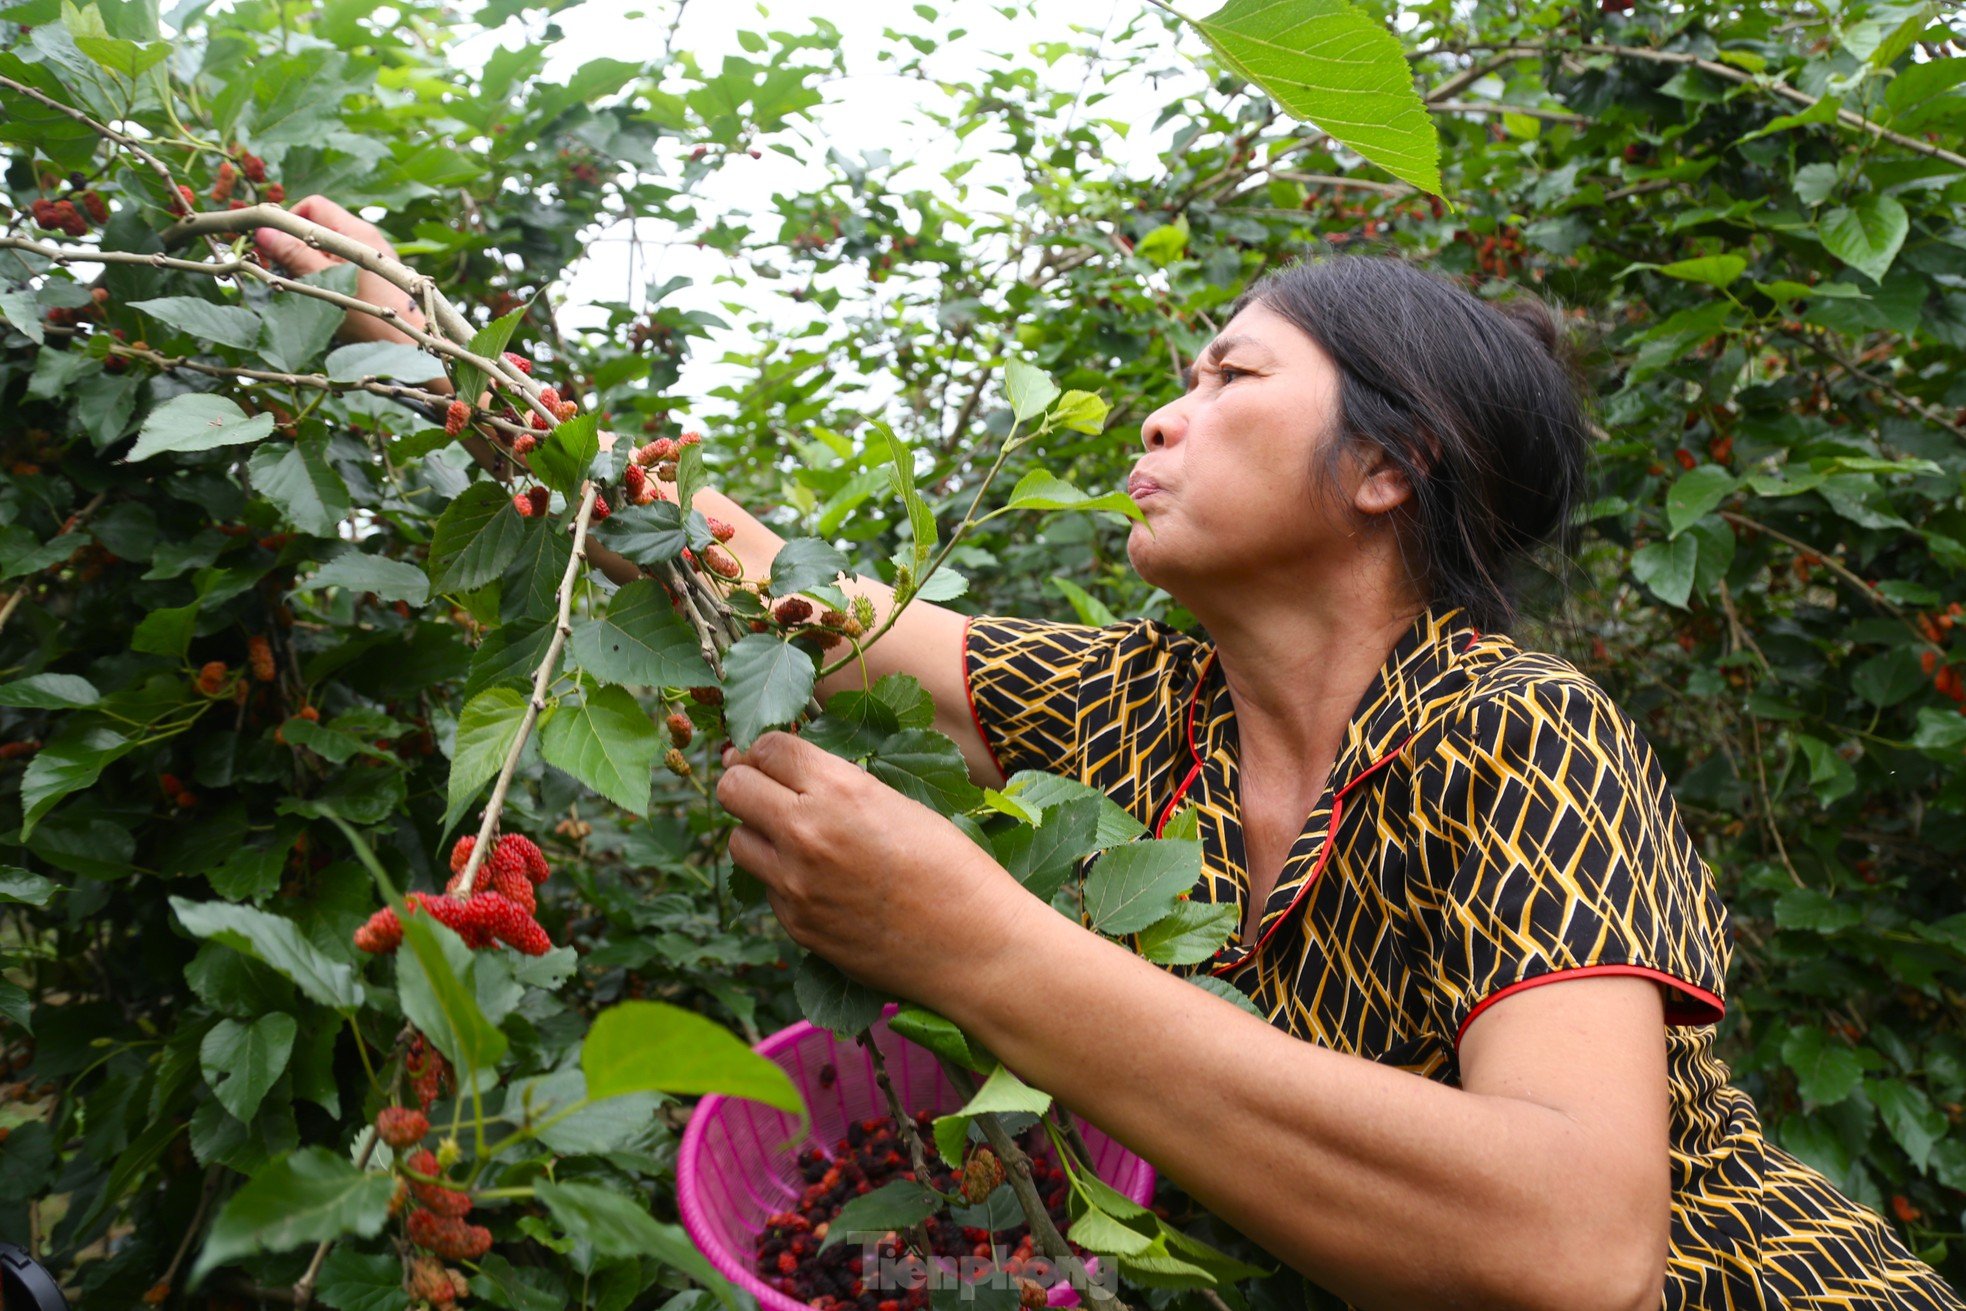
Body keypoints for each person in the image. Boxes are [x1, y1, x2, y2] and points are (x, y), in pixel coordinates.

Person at [263, 198, 1964, 1311]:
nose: (1162, 414)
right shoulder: (1141, 707)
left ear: (1388, 469)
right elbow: (761, 583)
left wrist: (970, 944)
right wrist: (440, 360)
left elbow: (1573, 1240)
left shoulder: (1508, 724)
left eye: (1228, 373)